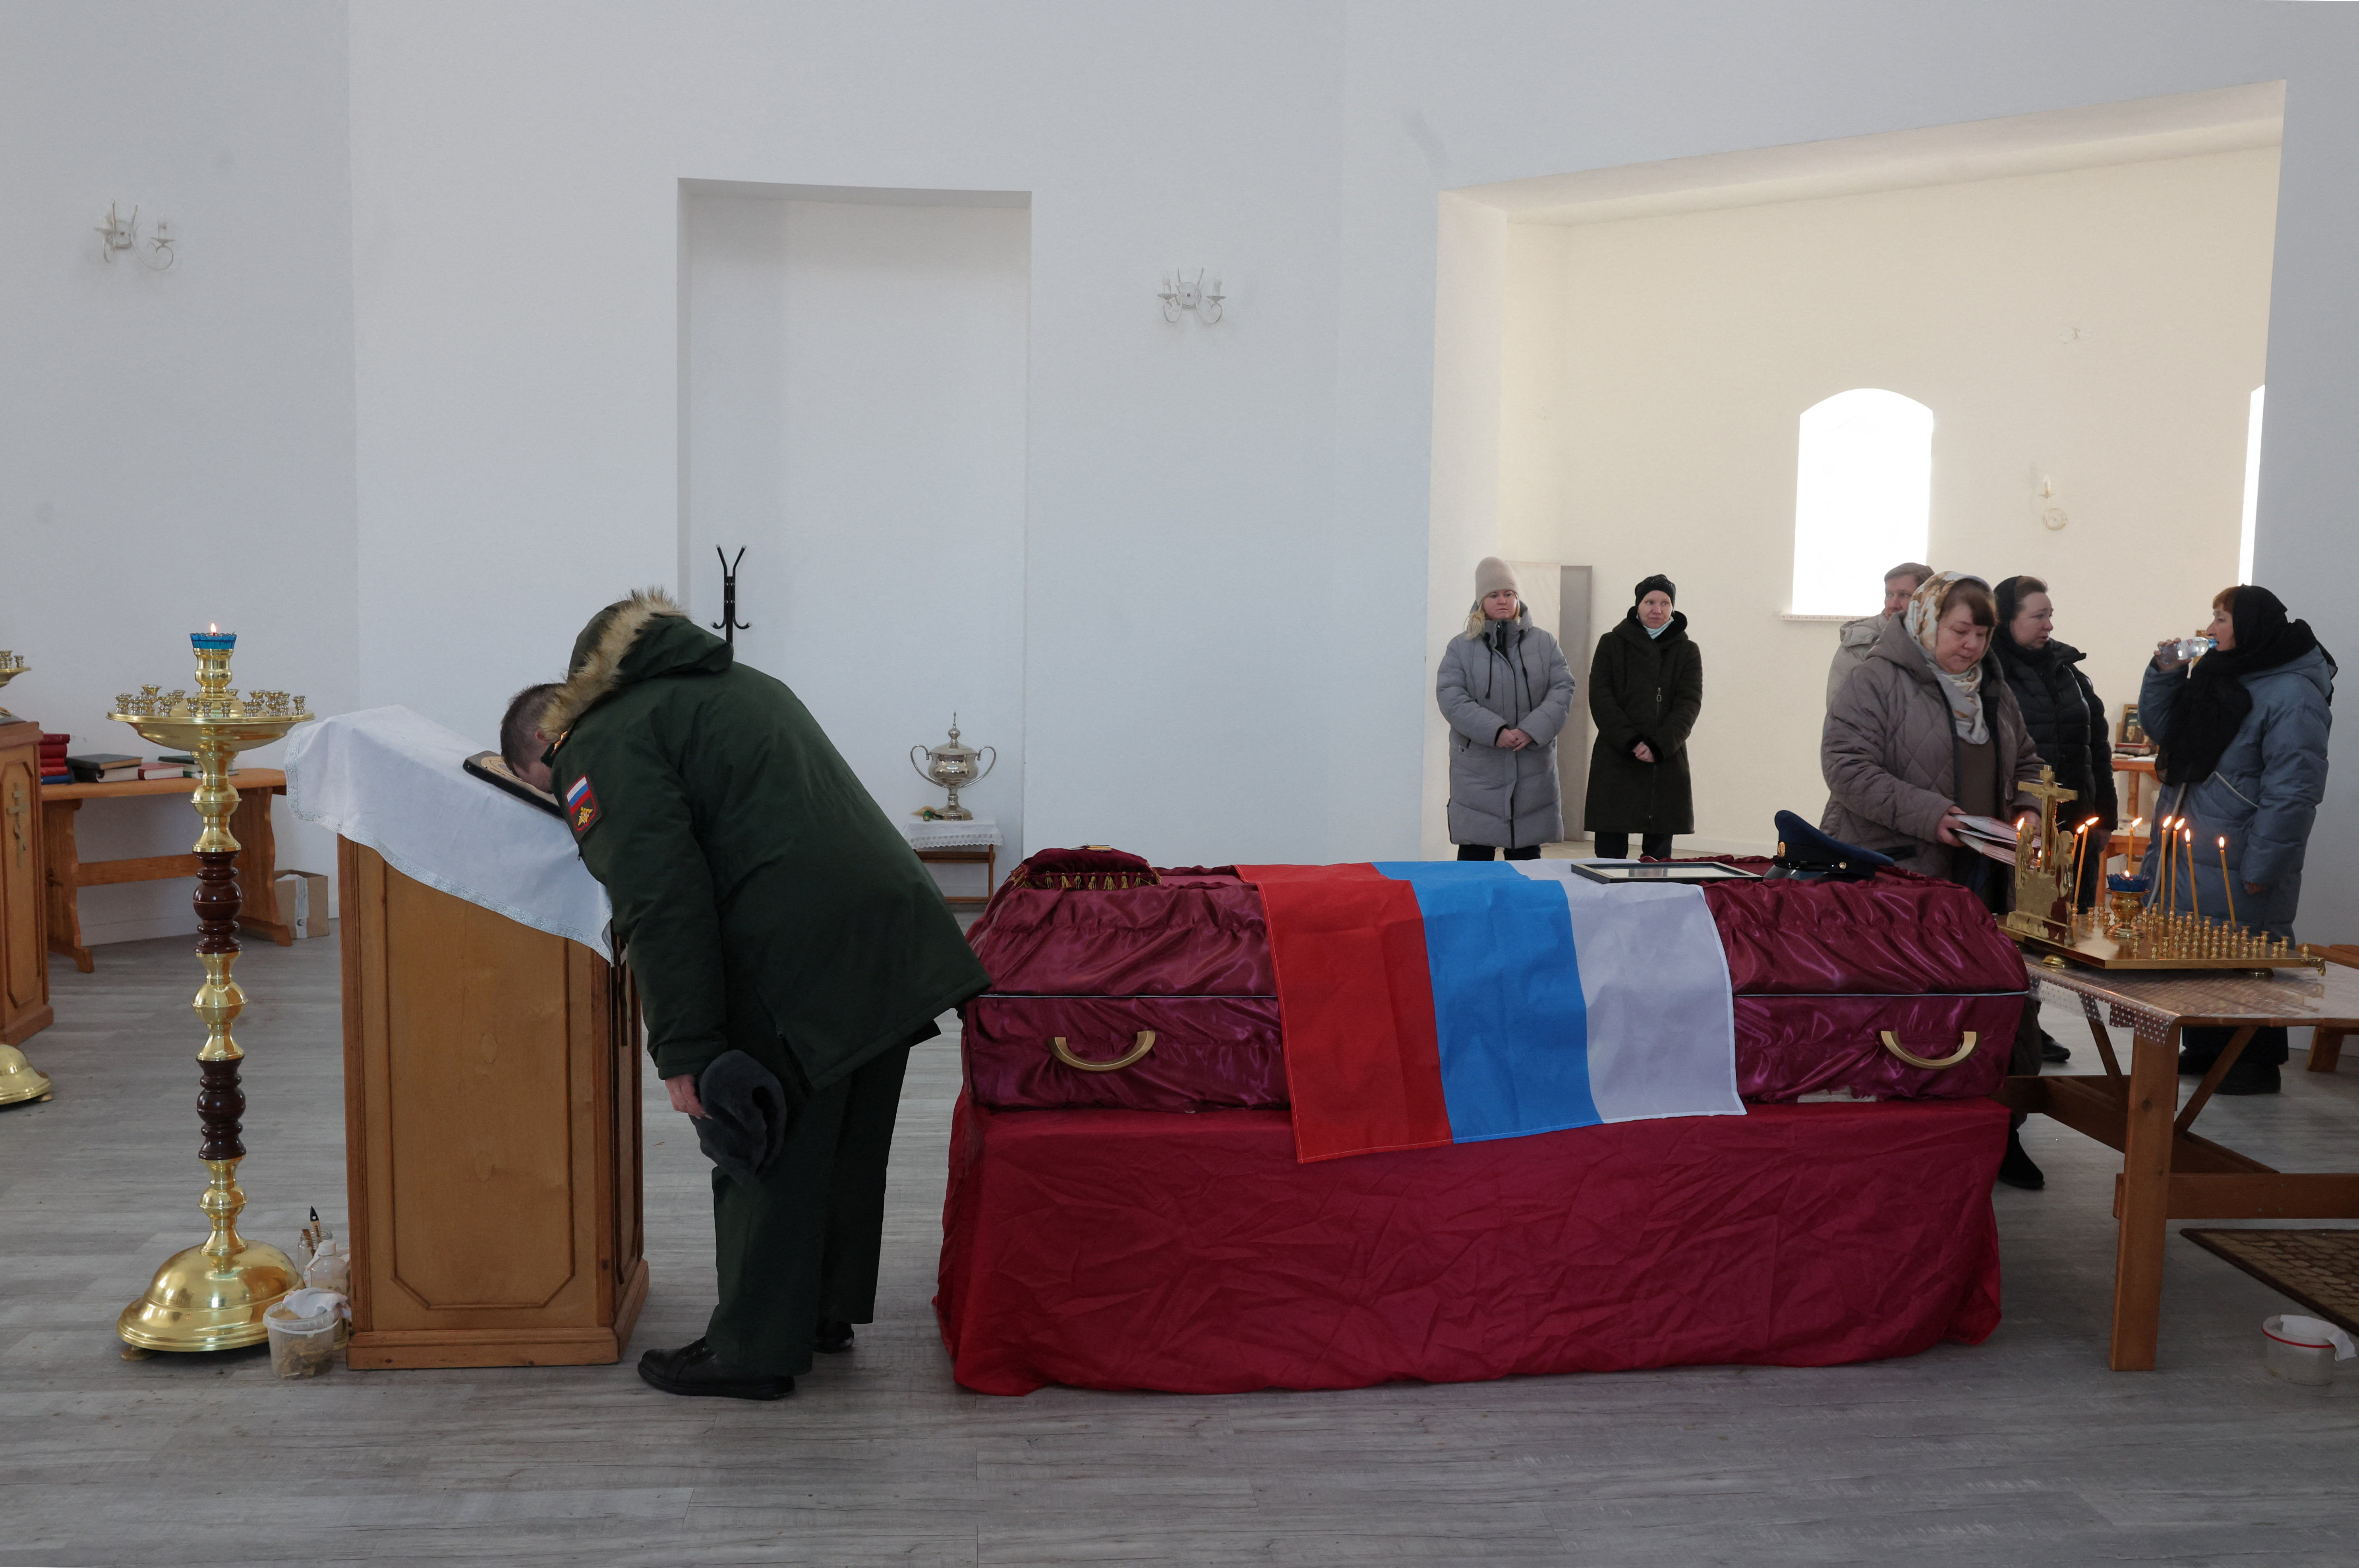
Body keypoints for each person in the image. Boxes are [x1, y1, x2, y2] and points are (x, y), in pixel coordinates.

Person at [503, 589, 989, 1399]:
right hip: (888, 933)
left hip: (792, 948)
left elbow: (660, 897)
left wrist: (687, 1047)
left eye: (543, 789)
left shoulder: (602, 744)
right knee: (842, 1137)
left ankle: (755, 1347)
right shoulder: (733, 685)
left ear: (548, 745)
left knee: (758, 1133)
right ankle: (816, 1311)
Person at [1821, 572, 2050, 1188]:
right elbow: (1845, 769)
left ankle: (2001, 1134)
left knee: (1994, 1006)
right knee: (1908, 1012)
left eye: (1981, 633)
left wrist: (2027, 809)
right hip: (1898, 873)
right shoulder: (1877, 678)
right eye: (1959, 631)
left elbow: (2029, 762)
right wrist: (1932, 816)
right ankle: (1901, 1141)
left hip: (1982, 875)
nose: (1971, 645)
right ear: (1925, 623)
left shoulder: (1993, 690)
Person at [2142, 584, 2336, 1096]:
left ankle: (2253, 1063)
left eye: (2222, 619)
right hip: (2195, 836)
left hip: (2242, 847)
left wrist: (2263, 866)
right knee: (2199, 949)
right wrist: (2165, 675)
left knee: (2244, 955)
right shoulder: (2218, 674)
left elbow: (2293, 790)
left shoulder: (2293, 693)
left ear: (2250, 627)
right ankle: (2206, 1048)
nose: (2209, 630)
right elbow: (2166, 732)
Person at [1992, 574, 2118, 1068]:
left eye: (2050, 615)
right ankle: (2010, 1028)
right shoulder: (1991, 674)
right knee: (2019, 931)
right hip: (2024, 829)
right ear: (2008, 619)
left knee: (2058, 931)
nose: (2049, 624)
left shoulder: (2069, 671)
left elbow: (2097, 750)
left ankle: (2033, 1024)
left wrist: (2103, 816)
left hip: (2074, 825)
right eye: (2037, 616)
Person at [1437, 557, 1576, 859]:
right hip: (1479, 768)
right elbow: (1451, 696)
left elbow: (1562, 689)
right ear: (1481, 601)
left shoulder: (1544, 643)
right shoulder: (1461, 648)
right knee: (1475, 861)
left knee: (1527, 862)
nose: (1502, 601)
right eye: (1494, 595)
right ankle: (1472, 909)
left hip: (1531, 766)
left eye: (1508, 594)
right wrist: (1495, 731)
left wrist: (1531, 730)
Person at [1584, 574, 1702, 860]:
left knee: (1658, 857)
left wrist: (1660, 745)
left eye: (1665, 603)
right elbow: (1601, 698)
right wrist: (1632, 741)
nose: (1657, 609)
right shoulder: (1611, 644)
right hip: (1617, 755)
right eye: (1650, 602)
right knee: (1610, 855)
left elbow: (1689, 704)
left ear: (1673, 608)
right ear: (1638, 605)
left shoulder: (1687, 651)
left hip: (1665, 759)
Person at [1826, 561, 1933, 708]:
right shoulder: (1860, 643)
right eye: (1890, 595)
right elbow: (1844, 712)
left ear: (1927, 600)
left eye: (1903, 595)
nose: (1893, 605)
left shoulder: (1941, 640)